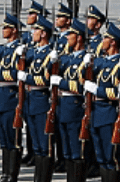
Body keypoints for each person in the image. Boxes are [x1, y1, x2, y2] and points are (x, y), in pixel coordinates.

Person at [86, 22, 120, 182]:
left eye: (106, 38)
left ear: (113, 42)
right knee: (100, 156)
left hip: (108, 112)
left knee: (111, 157)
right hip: (96, 112)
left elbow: (117, 93)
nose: (102, 41)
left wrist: (98, 91)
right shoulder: (101, 62)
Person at [0, 12, 25, 182]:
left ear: (14, 30)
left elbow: (15, 74)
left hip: (11, 98)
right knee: (3, 138)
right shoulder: (3, 49)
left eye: (6, 28)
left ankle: (12, 174)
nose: (3, 30)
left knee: (13, 138)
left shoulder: (20, 50)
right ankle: (5, 173)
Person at [53, 18, 89, 182]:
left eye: (71, 35)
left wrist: (62, 83)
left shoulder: (86, 60)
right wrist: (52, 60)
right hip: (63, 107)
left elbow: (82, 87)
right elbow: (51, 73)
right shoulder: (67, 58)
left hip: (75, 108)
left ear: (79, 37)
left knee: (76, 151)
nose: (67, 37)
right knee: (66, 151)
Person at [21, 15, 57, 182]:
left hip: (42, 101)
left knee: (45, 145)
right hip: (30, 100)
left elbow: (46, 80)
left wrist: (27, 78)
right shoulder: (33, 52)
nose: (32, 32)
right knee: (36, 145)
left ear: (43, 33)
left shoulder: (51, 55)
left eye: (36, 30)